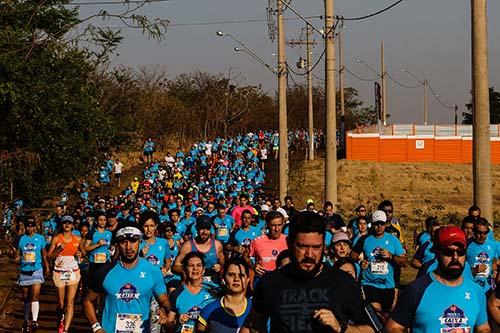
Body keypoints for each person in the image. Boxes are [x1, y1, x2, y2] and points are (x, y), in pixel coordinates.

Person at [241, 211, 374, 333]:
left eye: (316, 247)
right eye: (302, 246)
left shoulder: (344, 282)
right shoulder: (270, 282)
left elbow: (372, 329)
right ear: (289, 243)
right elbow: (254, 324)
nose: (309, 255)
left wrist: (341, 328)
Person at [385, 226, 491, 333]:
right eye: (449, 252)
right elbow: (393, 327)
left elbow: (483, 328)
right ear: (437, 253)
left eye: (460, 252)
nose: (455, 257)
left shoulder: (476, 291)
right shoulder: (416, 290)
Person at [83, 223, 171, 333]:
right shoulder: (104, 271)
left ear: (140, 242)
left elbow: (164, 300)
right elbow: (87, 300)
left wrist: (163, 309)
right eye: (123, 242)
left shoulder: (153, 271)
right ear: (117, 244)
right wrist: (96, 327)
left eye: (133, 241)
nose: (128, 247)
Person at [351, 210, 407, 315]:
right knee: (376, 311)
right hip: (369, 283)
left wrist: (391, 256)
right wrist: (360, 262)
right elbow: (352, 256)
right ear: (372, 224)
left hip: (387, 285)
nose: (379, 226)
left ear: (386, 224)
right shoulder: (365, 239)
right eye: (376, 224)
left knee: (386, 314)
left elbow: (404, 262)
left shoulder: (393, 240)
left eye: (382, 223)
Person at [47, 215, 82, 333]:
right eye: (64, 223)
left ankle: (66, 329)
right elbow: (49, 256)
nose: (67, 225)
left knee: (69, 302)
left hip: (73, 272)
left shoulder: (77, 239)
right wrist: (57, 251)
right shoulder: (57, 239)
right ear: (62, 225)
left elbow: (83, 253)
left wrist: (80, 255)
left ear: (72, 225)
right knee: (61, 304)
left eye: (69, 223)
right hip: (59, 272)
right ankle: (61, 318)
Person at [197, 258, 252, 332]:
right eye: (231, 275)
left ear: (247, 280)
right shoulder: (208, 311)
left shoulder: (256, 310)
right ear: (223, 279)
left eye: (241, 275)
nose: (236, 279)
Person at [166, 252, 216, 333]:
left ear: (203, 270)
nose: (195, 268)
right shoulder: (176, 293)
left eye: (199, 265)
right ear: (185, 270)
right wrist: (178, 321)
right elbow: (168, 325)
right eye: (191, 265)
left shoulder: (215, 290)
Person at [16, 217, 49, 332]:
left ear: (35, 227)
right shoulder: (21, 239)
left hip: (37, 269)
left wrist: (47, 267)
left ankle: (35, 321)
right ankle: (26, 320)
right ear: (25, 227)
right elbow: (17, 253)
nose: (30, 228)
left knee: (35, 295)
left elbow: (44, 254)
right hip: (24, 270)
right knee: (25, 297)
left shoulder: (40, 238)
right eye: (28, 226)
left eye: (32, 226)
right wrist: (16, 257)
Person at [172, 215, 224, 281]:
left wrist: (220, 267)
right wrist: (188, 271)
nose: (205, 232)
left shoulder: (217, 245)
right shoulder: (188, 246)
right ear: (196, 228)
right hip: (192, 282)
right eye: (202, 228)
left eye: (207, 228)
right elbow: (175, 266)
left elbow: (223, 263)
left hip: (212, 283)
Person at [249, 211, 287, 278]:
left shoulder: (289, 240)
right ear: (267, 225)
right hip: (263, 278)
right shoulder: (257, 241)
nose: (277, 229)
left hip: (284, 279)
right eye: (273, 225)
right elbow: (246, 256)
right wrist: (253, 265)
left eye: (279, 225)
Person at [465, 218, 498, 294]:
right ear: (474, 232)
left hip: (488, 289)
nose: (482, 236)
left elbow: (495, 264)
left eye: (485, 233)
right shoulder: (467, 245)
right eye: (479, 232)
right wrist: (473, 270)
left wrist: (494, 271)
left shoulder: (493, 245)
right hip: (471, 289)